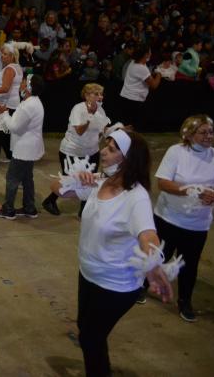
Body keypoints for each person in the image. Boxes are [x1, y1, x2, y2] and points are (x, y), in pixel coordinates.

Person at [50, 129, 174, 377]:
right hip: (88, 273)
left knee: (92, 339)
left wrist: (153, 266)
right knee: (86, 330)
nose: (103, 151)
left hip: (116, 284)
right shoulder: (100, 181)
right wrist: (74, 178)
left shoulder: (136, 197)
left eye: (112, 149)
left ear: (127, 159)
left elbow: (148, 235)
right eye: (105, 146)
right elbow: (56, 189)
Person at [150, 115, 214, 321]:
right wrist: (193, 190)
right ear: (189, 134)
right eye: (203, 132)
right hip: (169, 218)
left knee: (189, 264)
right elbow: (163, 183)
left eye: (211, 132)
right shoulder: (176, 152)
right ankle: (141, 286)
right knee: (160, 256)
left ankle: (185, 300)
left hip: (198, 223)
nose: (209, 136)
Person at [43, 83, 110, 216]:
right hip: (71, 152)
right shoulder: (78, 109)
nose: (99, 97)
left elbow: (104, 129)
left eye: (100, 94)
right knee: (70, 181)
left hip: (92, 151)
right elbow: (79, 131)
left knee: (90, 181)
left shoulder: (101, 110)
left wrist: (114, 131)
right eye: (96, 94)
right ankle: (49, 201)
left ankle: (84, 210)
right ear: (86, 95)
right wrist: (90, 117)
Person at [0, 74, 46, 220]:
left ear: (29, 87)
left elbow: (14, 127)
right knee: (28, 178)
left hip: (24, 149)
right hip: (30, 147)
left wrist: (4, 113)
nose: (20, 85)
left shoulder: (28, 105)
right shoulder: (34, 102)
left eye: (23, 83)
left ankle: (8, 209)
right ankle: (29, 208)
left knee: (12, 178)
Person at [117, 44, 161, 131]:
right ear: (145, 54)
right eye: (149, 52)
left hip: (127, 98)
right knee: (132, 128)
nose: (151, 54)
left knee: (128, 126)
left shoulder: (133, 62)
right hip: (134, 101)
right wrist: (159, 73)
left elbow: (145, 77)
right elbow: (154, 85)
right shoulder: (141, 68)